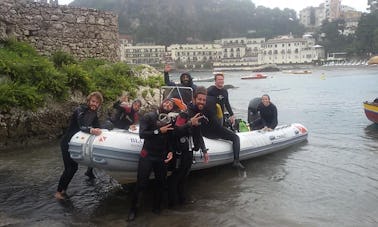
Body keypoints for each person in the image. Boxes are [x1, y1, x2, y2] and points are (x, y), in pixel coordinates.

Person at [127, 99, 175, 222]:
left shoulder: (170, 120)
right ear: (161, 103)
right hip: (147, 155)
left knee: (161, 183)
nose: (168, 105)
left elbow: (169, 138)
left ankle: (157, 208)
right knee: (141, 184)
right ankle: (133, 210)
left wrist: (170, 151)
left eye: (171, 105)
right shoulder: (149, 117)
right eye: (166, 103)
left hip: (161, 156)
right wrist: (158, 131)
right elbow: (142, 134)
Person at [55, 91, 103, 200]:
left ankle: (63, 190)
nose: (94, 104)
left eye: (97, 103)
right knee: (69, 168)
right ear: (88, 101)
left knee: (74, 168)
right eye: (93, 101)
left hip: (75, 143)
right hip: (67, 142)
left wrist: (109, 128)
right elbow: (82, 126)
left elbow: (99, 126)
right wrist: (91, 130)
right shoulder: (80, 110)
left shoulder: (94, 113)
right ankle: (58, 193)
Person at [168, 86, 209, 207]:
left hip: (189, 150)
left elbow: (198, 133)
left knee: (184, 176)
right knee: (176, 177)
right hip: (179, 151)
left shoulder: (199, 113)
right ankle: (172, 204)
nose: (202, 102)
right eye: (200, 99)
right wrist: (190, 123)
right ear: (194, 99)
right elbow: (175, 131)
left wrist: (204, 150)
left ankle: (182, 200)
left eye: (204, 100)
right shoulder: (184, 114)